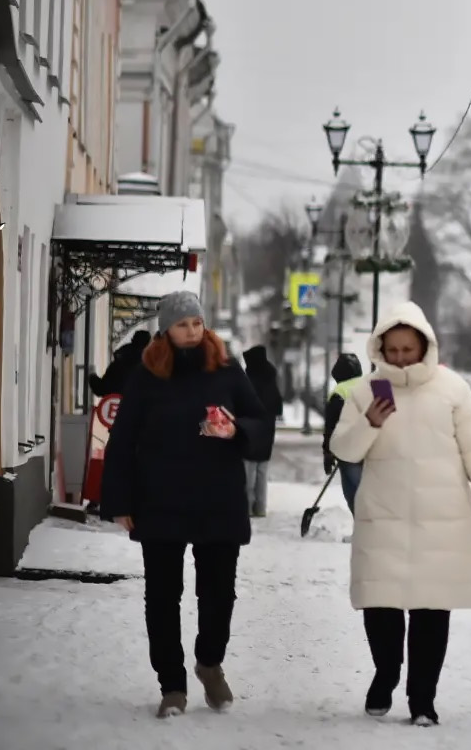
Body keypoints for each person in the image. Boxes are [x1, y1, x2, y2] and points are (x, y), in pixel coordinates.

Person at [329, 302, 471, 727]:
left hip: (440, 519)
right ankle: (385, 674)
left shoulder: (452, 389)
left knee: (432, 613)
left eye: (407, 349)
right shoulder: (368, 391)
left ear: (424, 346)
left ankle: (422, 700)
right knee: (381, 607)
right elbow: (343, 449)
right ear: (379, 348)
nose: (399, 358)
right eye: (391, 350)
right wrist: (369, 423)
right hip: (384, 516)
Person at [98, 292, 271, 719]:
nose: (192, 332)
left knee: (219, 594)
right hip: (160, 499)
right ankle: (172, 685)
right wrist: (119, 500)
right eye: (183, 325)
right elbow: (121, 442)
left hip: (218, 498)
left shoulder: (228, 371)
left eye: (197, 323)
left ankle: (209, 663)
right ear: (166, 330)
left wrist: (236, 431)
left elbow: (260, 423)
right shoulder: (146, 376)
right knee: (161, 596)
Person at [239, 346, 284, 517]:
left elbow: (242, 403)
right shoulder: (270, 377)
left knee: (249, 469)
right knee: (262, 470)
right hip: (267, 430)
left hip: (250, 429)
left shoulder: (250, 379)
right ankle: (261, 507)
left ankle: (248, 507)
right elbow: (278, 406)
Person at [322, 352, 366, 507]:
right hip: (372, 450)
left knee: (353, 494)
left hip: (347, 450)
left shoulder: (338, 391)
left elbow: (331, 425)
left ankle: (362, 525)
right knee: (366, 493)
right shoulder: (376, 383)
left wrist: (327, 452)